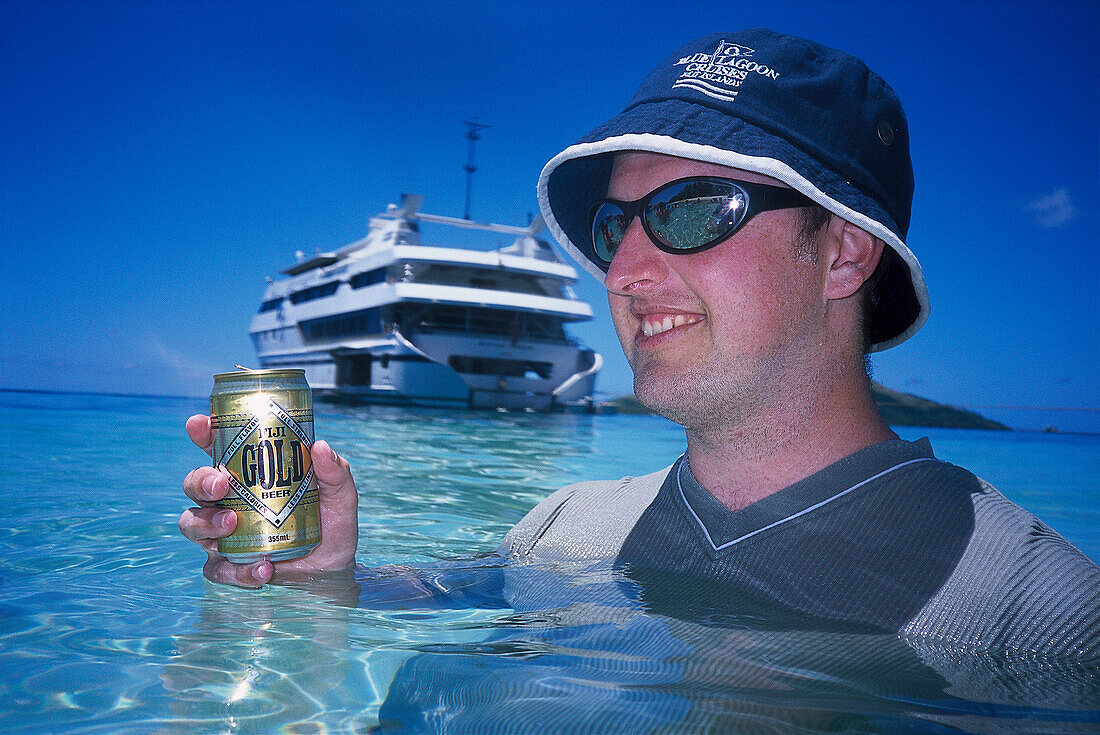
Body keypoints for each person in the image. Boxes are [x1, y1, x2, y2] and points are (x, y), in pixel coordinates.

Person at [180, 29, 1099, 657]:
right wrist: (322, 576)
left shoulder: (1051, 622)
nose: (622, 272)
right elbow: (407, 599)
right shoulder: (557, 528)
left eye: (692, 211)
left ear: (845, 253)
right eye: (619, 227)